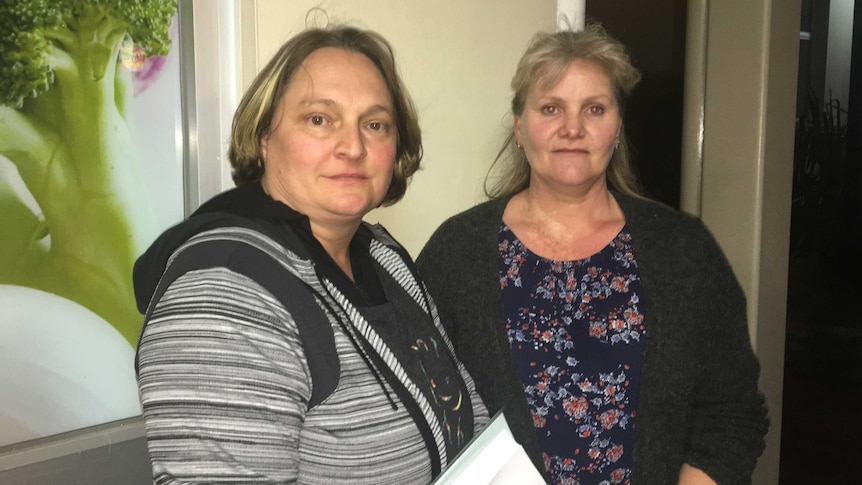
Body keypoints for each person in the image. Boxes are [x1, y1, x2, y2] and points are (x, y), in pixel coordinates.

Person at [133, 24, 488, 484]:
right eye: (320, 119)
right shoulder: (224, 296)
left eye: (375, 124)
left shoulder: (384, 258)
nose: (354, 147)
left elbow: (466, 411)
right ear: (263, 136)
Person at [416, 23, 769, 485]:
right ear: (520, 126)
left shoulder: (684, 251)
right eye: (550, 108)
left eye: (594, 109)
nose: (572, 128)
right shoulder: (456, 253)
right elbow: (418, 408)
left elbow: (732, 413)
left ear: (617, 128)